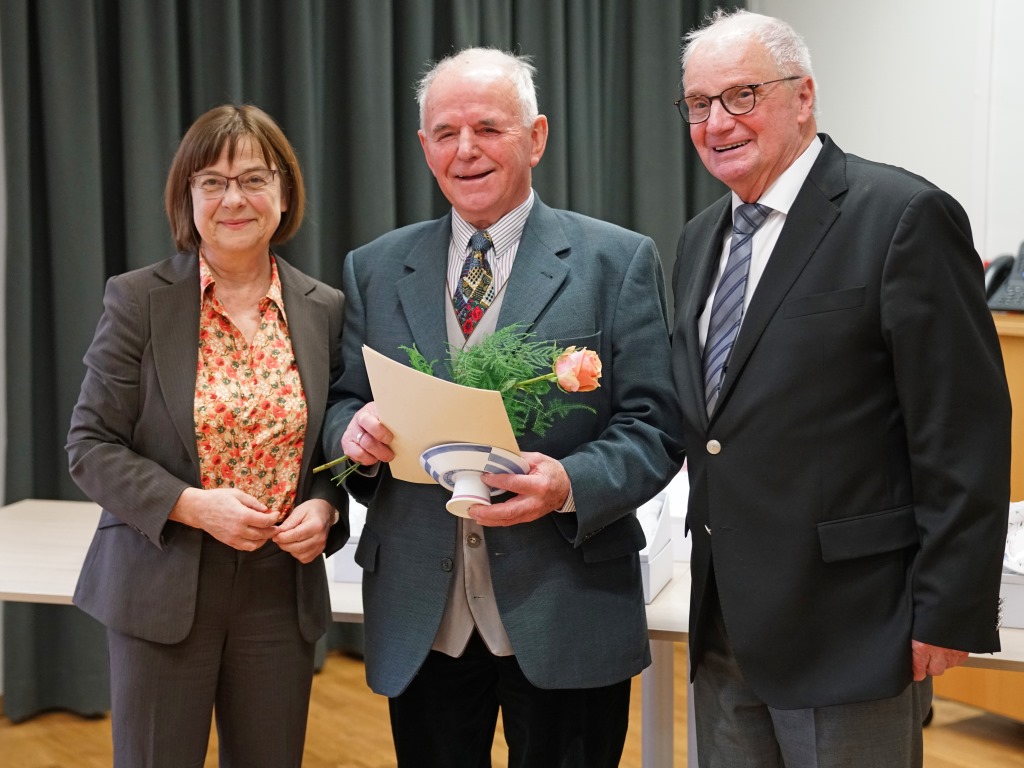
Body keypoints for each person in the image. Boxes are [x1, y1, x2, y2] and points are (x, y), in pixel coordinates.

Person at [323, 48, 684, 767]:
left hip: (565, 603)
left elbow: (656, 425)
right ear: (424, 146)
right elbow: (342, 401)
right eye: (445, 132)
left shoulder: (617, 262)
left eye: (488, 128)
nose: (465, 150)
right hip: (423, 613)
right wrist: (351, 431)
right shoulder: (375, 267)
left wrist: (570, 484)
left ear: (537, 137)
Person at [670, 9, 1011, 767]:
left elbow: (963, 431)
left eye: (741, 95)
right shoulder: (699, 239)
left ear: (804, 95)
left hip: (851, 627)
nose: (716, 121)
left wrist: (949, 607)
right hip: (723, 621)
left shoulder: (901, 217)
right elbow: (710, 420)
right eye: (698, 103)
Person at [66, 104, 348, 767]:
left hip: (281, 588)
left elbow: (339, 442)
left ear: (284, 193)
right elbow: (89, 444)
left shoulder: (325, 309)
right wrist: (194, 505)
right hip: (160, 581)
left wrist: (328, 503)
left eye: (253, 178)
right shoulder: (139, 300)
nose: (234, 199)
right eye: (213, 182)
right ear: (186, 195)